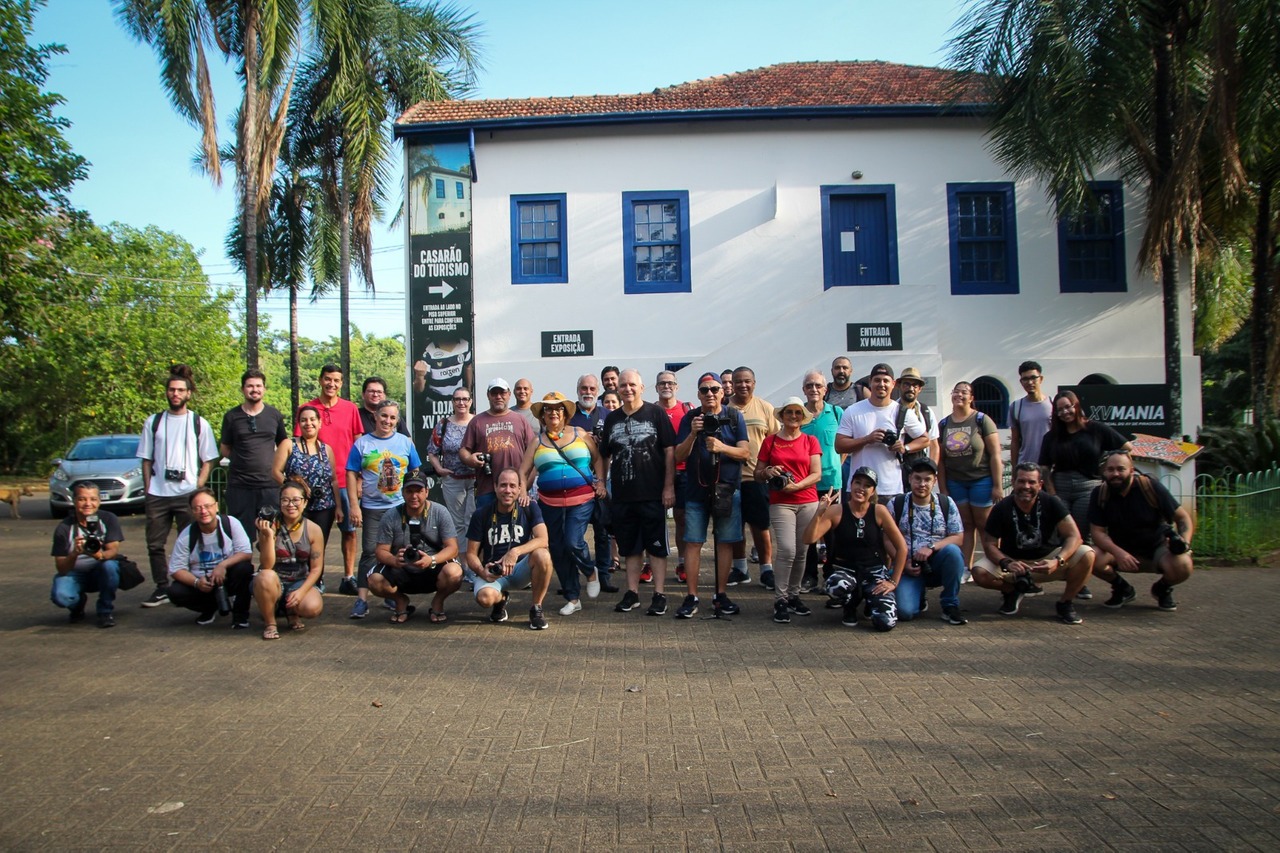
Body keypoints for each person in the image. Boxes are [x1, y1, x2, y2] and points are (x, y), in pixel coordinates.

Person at [970, 463, 1095, 624]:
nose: (1026, 487)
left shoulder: (1051, 502)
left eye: (1031, 482)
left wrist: (1058, 560)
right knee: (979, 572)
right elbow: (989, 544)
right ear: (1014, 482)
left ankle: (1065, 603)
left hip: (1047, 560)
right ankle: (1014, 591)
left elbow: (1075, 536)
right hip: (1013, 562)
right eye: (1021, 481)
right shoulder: (1002, 507)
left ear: (1040, 484)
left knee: (1087, 554)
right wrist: (1006, 562)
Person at [138, 364, 220, 608]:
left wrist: (198, 487)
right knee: (155, 543)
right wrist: (148, 487)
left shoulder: (198, 423)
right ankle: (162, 586)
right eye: (171, 390)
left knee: (194, 540)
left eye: (180, 390)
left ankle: (190, 582)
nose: (175, 394)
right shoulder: (153, 422)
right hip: (158, 492)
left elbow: (209, 458)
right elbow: (146, 458)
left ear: (188, 394)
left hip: (187, 493)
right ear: (167, 392)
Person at [519, 392, 606, 616]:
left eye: (558, 409)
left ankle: (590, 571)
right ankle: (573, 597)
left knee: (573, 541)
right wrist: (522, 491)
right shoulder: (537, 441)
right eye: (548, 410)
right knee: (557, 549)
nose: (553, 413)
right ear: (543, 416)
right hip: (550, 502)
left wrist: (602, 482)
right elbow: (522, 470)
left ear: (565, 413)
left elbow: (597, 459)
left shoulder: (580, 434)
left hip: (581, 499)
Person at [1038, 390, 1131, 600]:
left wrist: (1107, 470)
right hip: (1060, 486)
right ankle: (1076, 582)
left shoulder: (1094, 429)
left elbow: (1126, 448)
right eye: (1060, 409)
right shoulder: (1051, 436)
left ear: (1076, 406)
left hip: (1088, 486)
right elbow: (1044, 467)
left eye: (1068, 407)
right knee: (1063, 536)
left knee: (1083, 538)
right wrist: (1052, 494)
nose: (1065, 412)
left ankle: (1083, 581)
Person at [672, 372, 750, 618]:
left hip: (727, 489)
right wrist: (693, 434)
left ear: (723, 392)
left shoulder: (734, 416)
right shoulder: (690, 418)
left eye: (714, 389)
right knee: (693, 542)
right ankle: (692, 595)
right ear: (697, 394)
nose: (710, 394)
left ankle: (721, 593)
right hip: (696, 489)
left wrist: (722, 447)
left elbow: (745, 452)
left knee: (725, 542)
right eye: (704, 390)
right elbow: (678, 456)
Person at [600, 369, 676, 616]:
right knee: (629, 548)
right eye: (623, 385)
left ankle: (659, 594)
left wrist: (668, 486)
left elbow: (669, 451)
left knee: (656, 547)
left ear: (642, 387)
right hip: (623, 496)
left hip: (652, 494)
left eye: (632, 384)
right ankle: (632, 593)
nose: (627, 389)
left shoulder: (656, 414)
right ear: (617, 389)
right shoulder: (612, 419)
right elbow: (603, 455)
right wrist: (601, 482)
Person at [1087, 450, 1194, 612]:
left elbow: (1183, 518)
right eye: (1110, 469)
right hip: (1121, 551)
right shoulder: (1100, 493)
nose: (1115, 474)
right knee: (1090, 556)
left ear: (1131, 470)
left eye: (1121, 469)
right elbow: (1097, 532)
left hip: (1157, 549)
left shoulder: (1150, 487)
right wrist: (1118, 553)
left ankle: (1162, 589)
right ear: (1104, 472)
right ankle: (1122, 589)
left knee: (1183, 564)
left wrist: (1184, 542)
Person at [804, 466, 908, 631]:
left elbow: (902, 548)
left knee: (885, 623)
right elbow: (808, 539)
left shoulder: (879, 511)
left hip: (874, 572)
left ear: (873, 491)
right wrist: (819, 513)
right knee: (834, 585)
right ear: (850, 485)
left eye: (867, 485)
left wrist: (893, 581)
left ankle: (870, 601)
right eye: (857, 483)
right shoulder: (836, 511)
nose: (861, 488)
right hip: (846, 570)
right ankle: (850, 605)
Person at [345, 399, 421, 619]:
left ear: (397, 420)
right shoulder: (362, 444)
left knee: (397, 551)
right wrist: (354, 506)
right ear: (375, 417)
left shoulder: (405, 443)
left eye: (393, 417)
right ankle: (361, 599)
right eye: (384, 416)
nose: (388, 421)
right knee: (370, 551)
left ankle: (392, 594)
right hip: (372, 507)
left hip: (400, 507)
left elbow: (415, 472)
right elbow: (351, 473)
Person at [755, 398, 822, 623]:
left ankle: (794, 596)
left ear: (803, 417)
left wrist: (798, 485)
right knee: (786, 549)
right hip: (781, 501)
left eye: (797, 413)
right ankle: (781, 599)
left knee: (802, 551)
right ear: (781, 416)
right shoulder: (771, 441)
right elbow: (758, 473)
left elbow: (816, 474)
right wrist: (769, 472)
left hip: (807, 500)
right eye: (789, 413)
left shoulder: (810, 440)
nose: (793, 416)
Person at [299, 364, 364, 594]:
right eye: (328, 379)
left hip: (345, 480)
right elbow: (299, 444)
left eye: (336, 380)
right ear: (320, 380)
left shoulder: (350, 409)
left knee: (349, 531)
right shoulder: (307, 409)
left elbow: (359, 445)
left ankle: (348, 577)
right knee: (315, 535)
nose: (332, 384)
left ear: (341, 383)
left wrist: (358, 479)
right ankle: (316, 577)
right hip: (317, 485)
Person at [465, 468, 555, 630]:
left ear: (520, 488)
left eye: (513, 486)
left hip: (520, 569)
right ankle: (500, 600)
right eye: (503, 485)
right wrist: (480, 571)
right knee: (485, 599)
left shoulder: (529, 508)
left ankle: (536, 608)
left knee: (543, 555)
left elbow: (543, 539)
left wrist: (515, 552)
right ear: (495, 487)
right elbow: (471, 554)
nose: (508, 490)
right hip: (493, 572)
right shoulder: (481, 514)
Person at [370, 470, 463, 624]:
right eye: (409, 491)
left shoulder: (440, 512)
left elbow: (453, 548)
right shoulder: (391, 516)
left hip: (433, 568)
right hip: (402, 569)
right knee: (374, 580)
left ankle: (438, 601)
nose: (414, 496)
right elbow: (380, 551)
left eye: (419, 491)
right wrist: (394, 560)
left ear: (427, 491)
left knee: (454, 573)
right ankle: (401, 601)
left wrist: (432, 559)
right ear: (402, 492)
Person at [834, 363, 928, 504]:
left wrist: (904, 448)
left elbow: (925, 439)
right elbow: (839, 445)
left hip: (891, 488)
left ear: (893, 384)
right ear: (870, 382)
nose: (881, 384)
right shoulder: (853, 411)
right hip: (859, 488)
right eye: (877, 380)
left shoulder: (902, 412)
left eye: (886, 381)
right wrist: (867, 439)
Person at [889, 458, 967, 625]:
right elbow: (886, 538)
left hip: (937, 564)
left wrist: (931, 547)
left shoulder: (946, 503)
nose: (922, 484)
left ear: (935, 481)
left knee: (953, 552)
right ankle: (919, 597)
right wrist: (902, 562)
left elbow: (958, 537)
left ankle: (950, 605)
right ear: (910, 479)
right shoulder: (897, 503)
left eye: (927, 479)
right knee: (905, 612)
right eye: (917, 478)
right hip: (909, 566)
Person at [937, 381, 1003, 569]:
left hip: (981, 480)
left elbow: (995, 454)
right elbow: (941, 460)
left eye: (964, 392)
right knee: (965, 525)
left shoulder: (982, 420)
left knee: (984, 524)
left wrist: (997, 485)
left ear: (971, 398)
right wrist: (943, 488)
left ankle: (993, 563)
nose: (959, 395)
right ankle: (966, 566)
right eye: (956, 391)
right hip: (956, 481)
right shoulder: (945, 423)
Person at [166, 488, 254, 626]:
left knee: (245, 568)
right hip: (203, 582)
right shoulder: (186, 535)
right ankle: (209, 608)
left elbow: (246, 553)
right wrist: (196, 582)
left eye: (207, 506)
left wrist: (223, 565)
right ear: (192, 511)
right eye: (198, 508)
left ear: (217, 506)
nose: (203, 511)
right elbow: (176, 569)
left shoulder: (230, 523)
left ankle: (240, 616)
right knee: (175, 591)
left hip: (227, 576)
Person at [252, 478, 324, 639]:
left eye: (296, 500)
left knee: (312, 607)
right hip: (274, 580)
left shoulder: (313, 529)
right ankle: (270, 623)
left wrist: (301, 592)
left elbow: (316, 568)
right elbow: (267, 565)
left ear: (305, 502)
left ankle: (291, 611)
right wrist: (268, 536)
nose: (291, 504)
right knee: (265, 576)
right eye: (285, 500)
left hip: (299, 580)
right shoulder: (270, 524)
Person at [220, 369, 288, 536]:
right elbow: (225, 448)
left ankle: (269, 564)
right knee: (240, 537)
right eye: (250, 386)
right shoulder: (231, 416)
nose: (254, 389)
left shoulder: (274, 415)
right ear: (243, 389)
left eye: (258, 386)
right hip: (240, 487)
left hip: (269, 487)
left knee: (271, 535)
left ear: (264, 389)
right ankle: (243, 563)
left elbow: (284, 445)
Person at [728, 366, 778, 588]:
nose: (742, 385)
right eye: (738, 381)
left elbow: (776, 442)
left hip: (757, 478)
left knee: (761, 526)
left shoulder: (765, 408)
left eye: (747, 381)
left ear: (754, 383)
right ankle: (740, 569)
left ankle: (767, 570)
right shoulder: (724, 408)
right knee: (734, 527)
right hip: (729, 479)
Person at [50, 481, 123, 628]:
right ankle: (77, 605)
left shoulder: (108, 519)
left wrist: (98, 555)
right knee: (61, 597)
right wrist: (75, 553)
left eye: (93, 499)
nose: (88, 504)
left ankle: (105, 611)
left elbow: (113, 551)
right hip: (75, 572)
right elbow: (62, 569)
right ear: (74, 500)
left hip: (99, 570)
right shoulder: (64, 528)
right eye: (82, 499)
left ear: (99, 501)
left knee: (110, 566)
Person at [569, 373, 615, 593]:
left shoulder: (608, 415)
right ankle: (573, 578)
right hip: (574, 482)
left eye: (592, 389)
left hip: (601, 482)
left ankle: (604, 575)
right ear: (577, 389)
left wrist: (601, 441)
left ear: (598, 391)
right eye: (584, 388)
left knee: (603, 532)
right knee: (573, 535)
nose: (588, 392)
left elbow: (615, 447)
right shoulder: (568, 415)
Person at [460, 378, 535, 511]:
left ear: (509, 395)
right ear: (488, 395)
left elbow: (534, 455)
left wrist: (524, 487)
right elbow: (464, 450)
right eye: (494, 393)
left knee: (518, 528)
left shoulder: (520, 420)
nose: (498, 397)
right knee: (486, 527)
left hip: (515, 489)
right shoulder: (477, 421)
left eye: (502, 393)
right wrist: (469, 459)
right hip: (486, 488)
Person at [799, 370, 843, 592]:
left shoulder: (836, 413)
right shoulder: (799, 416)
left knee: (833, 532)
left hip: (832, 483)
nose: (814, 389)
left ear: (826, 390)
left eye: (818, 386)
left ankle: (832, 573)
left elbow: (844, 445)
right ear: (804, 390)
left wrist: (835, 465)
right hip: (807, 484)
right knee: (809, 531)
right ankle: (809, 576)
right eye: (809, 386)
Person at [272, 405, 339, 545]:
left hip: (324, 507)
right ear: (299, 423)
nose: (308, 423)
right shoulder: (288, 444)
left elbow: (333, 480)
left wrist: (339, 507)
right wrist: (292, 488)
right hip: (296, 506)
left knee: (318, 548)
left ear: (319, 423)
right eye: (304, 420)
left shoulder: (326, 449)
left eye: (312, 419)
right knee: (296, 546)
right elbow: (275, 472)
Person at [426, 386, 476, 550]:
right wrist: (439, 469)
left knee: (473, 519)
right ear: (452, 402)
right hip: (453, 481)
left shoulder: (478, 422)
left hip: (476, 481)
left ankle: (473, 559)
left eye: (465, 399)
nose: (461, 402)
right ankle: (461, 561)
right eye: (457, 399)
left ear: (470, 402)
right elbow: (432, 451)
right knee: (458, 523)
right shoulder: (443, 424)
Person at [655, 370, 693, 582]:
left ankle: (681, 563)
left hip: (684, 471)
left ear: (676, 387)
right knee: (653, 520)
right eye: (662, 383)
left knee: (682, 519)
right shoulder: (650, 410)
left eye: (670, 383)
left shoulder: (688, 411)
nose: (666, 386)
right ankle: (649, 563)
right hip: (657, 473)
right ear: (656, 387)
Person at [1008, 360, 1053, 467]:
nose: (1030, 382)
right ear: (1021, 381)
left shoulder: (1053, 404)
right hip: (1025, 466)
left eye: (1033, 378)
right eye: (1025, 379)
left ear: (1040, 379)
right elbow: (1015, 441)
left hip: (1050, 466)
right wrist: (1014, 470)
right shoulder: (1015, 407)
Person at [894, 367, 939, 473]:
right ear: (899, 386)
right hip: (896, 468)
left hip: (920, 469)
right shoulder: (891, 411)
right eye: (907, 384)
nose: (911, 388)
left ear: (920, 389)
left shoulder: (926, 412)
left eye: (915, 385)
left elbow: (934, 445)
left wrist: (932, 471)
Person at [412, 333, 473, 399]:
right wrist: (419, 376)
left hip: (458, 397)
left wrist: (469, 390)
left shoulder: (465, 345)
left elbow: (468, 367)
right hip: (435, 399)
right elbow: (418, 390)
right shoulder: (428, 352)